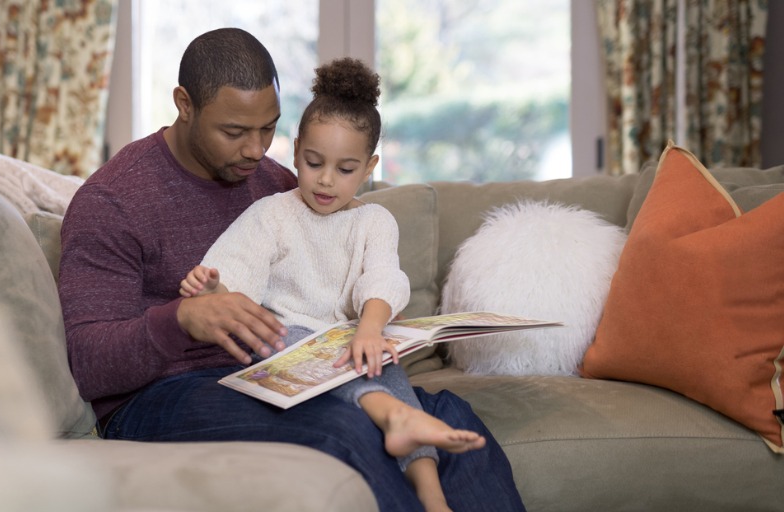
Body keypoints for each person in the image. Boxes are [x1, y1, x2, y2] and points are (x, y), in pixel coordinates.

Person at [59, 27, 525, 512]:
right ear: (184, 104)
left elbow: (345, 263)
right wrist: (182, 319)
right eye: (235, 132)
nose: (257, 150)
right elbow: (90, 365)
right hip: (162, 396)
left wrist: (374, 322)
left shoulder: (274, 182)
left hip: (280, 370)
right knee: (344, 428)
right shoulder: (112, 200)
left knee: (452, 416)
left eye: (269, 128)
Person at [178, 57, 482, 512]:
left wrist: (371, 330)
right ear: (296, 149)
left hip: (346, 341)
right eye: (314, 162)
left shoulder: (375, 220)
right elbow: (234, 278)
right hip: (284, 342)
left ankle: (430, 490)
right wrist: (210, 289)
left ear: (369, 167)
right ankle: (395, 416)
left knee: (382, 362)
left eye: (345, 169)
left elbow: (383, 278)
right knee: (291, 341)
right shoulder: (272, 214)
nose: (324, 180)